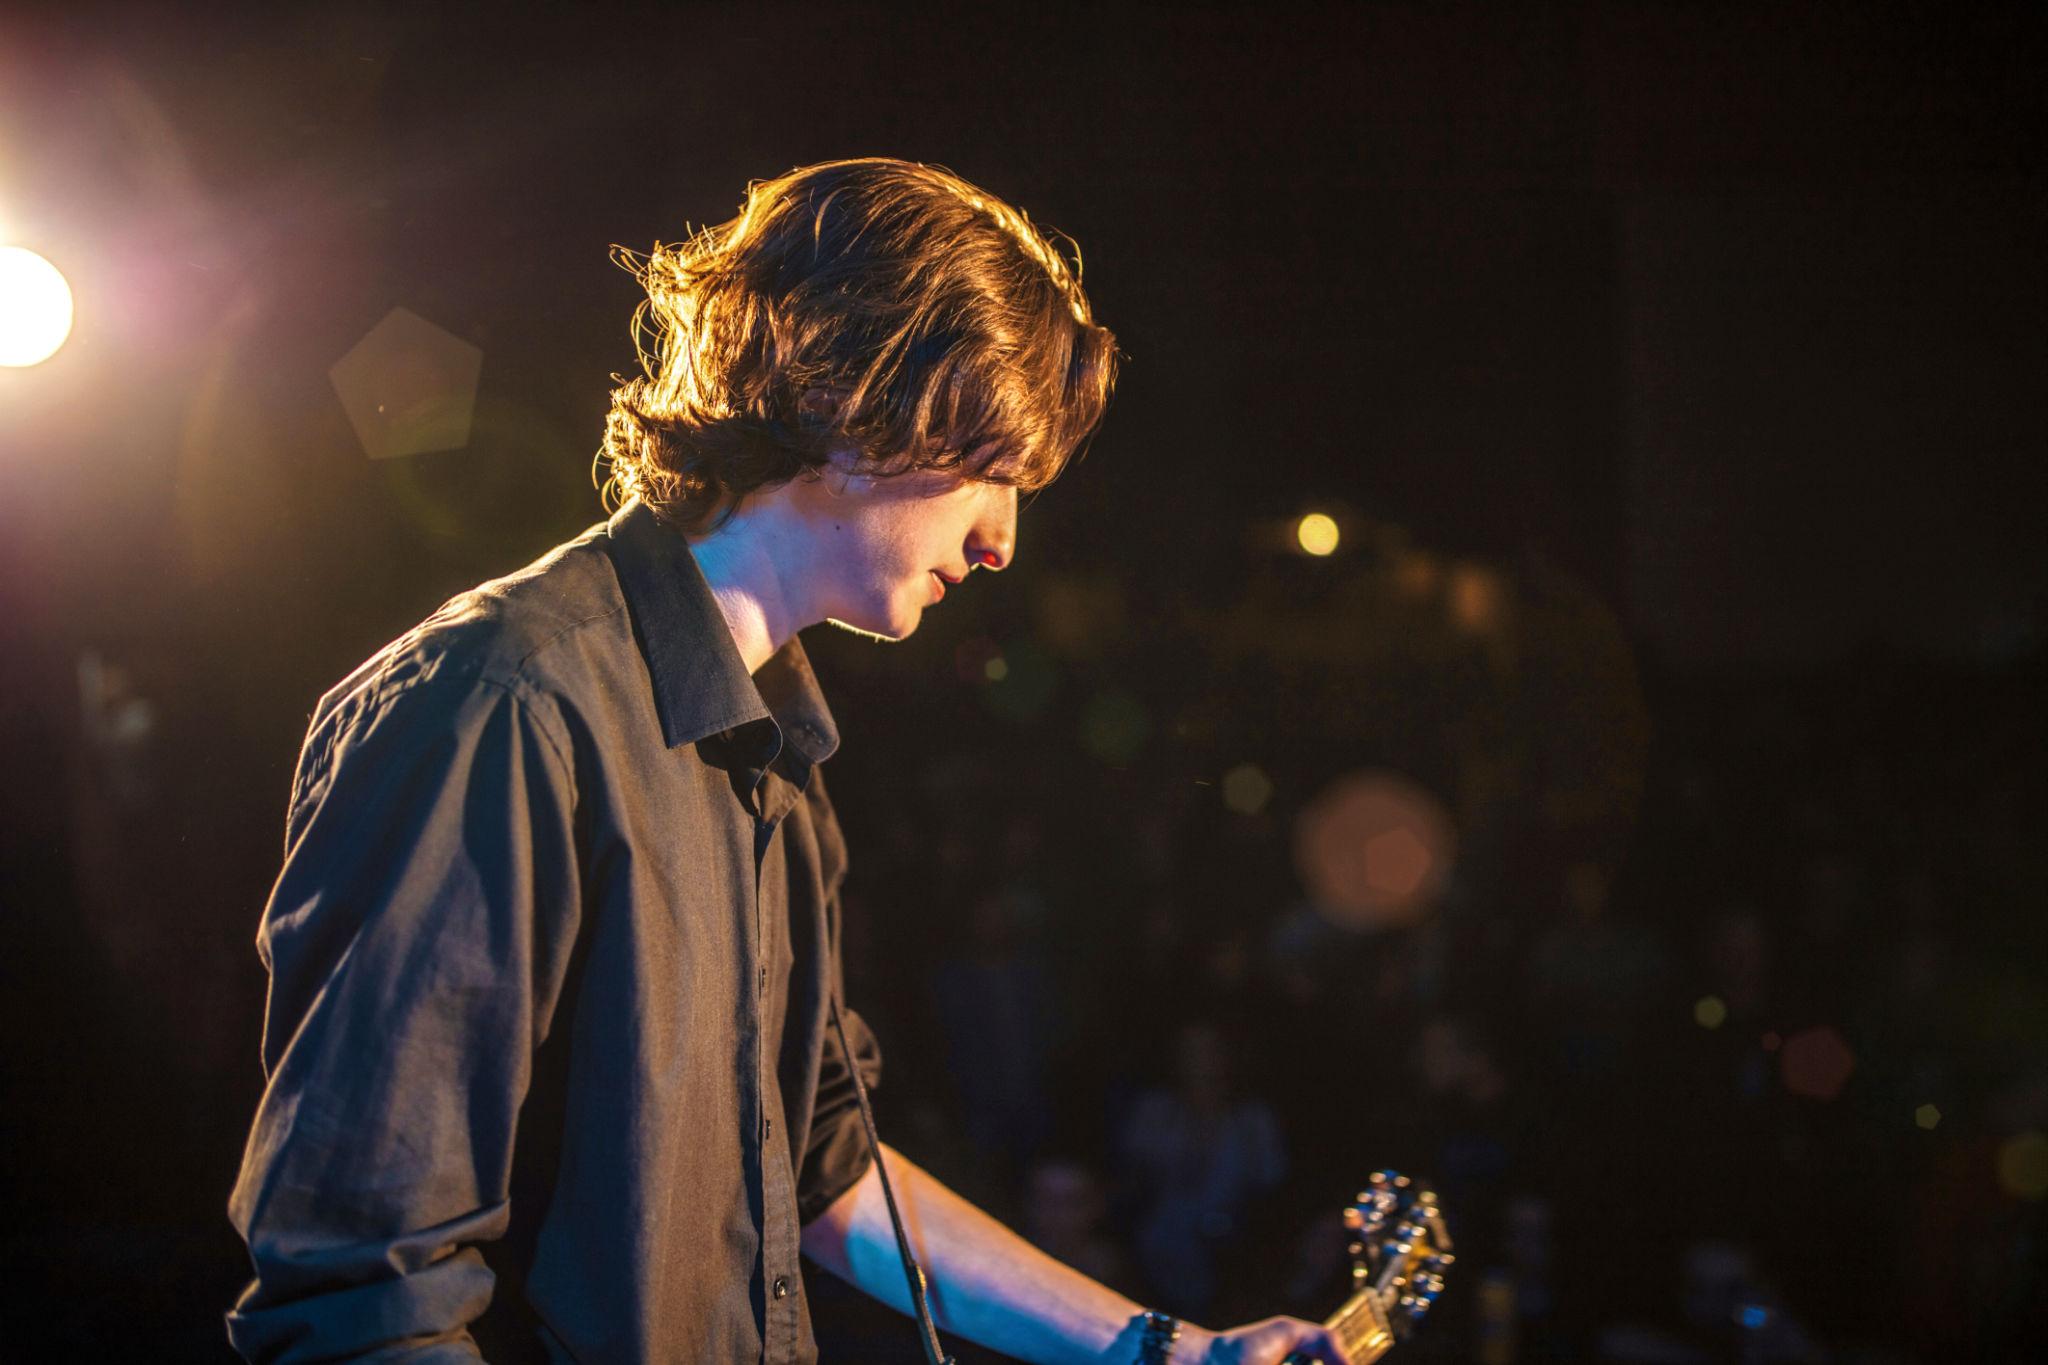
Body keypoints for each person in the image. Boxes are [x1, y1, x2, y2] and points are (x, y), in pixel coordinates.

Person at [226, 158, 1351, 1365]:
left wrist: (1167, 1350)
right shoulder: (504, 704)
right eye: (993, 471)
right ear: (863, 400)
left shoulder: (775, 758)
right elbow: (364, 1294)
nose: (1001, 541)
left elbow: (819, 1167)